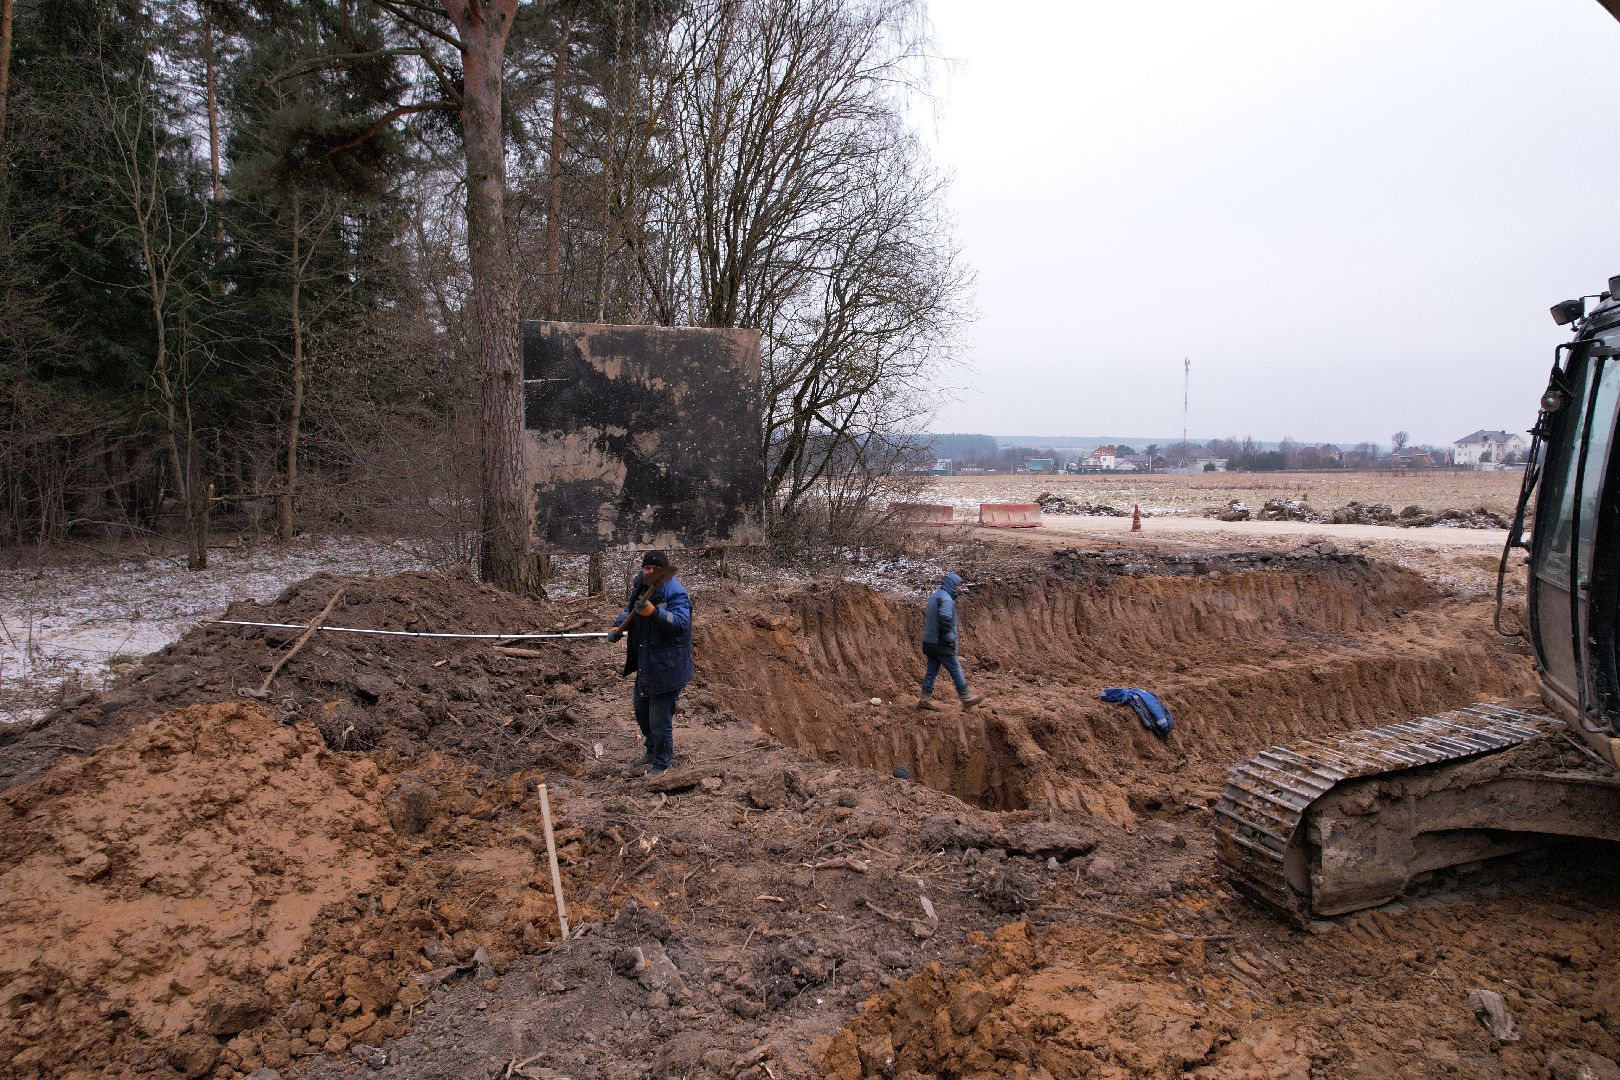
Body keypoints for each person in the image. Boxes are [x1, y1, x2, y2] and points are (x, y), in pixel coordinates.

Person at [612, 550, 693, 776]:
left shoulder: (675, 593)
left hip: (668, 666)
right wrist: (618, 626)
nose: (647, 572)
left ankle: (662, 762)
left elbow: (681, 623)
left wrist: (654, 613)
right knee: (641, 711)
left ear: (663, 572)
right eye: (645, 568)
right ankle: (651, 750)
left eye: (653, 570)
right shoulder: (642, 585)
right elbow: (631, 609)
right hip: (648, 662)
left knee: (659, 717)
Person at [918, 571, 983, 710]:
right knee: (955, 667)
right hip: (941, 643)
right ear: (952, 585)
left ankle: (925, 699)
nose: (960, 588)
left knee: (932, 669)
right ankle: (966, 698)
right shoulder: (946, 599)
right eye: (959, 585)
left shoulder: (936, 596)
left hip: (929, 642)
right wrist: (949, 638)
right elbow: (945, 618)